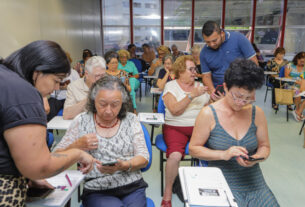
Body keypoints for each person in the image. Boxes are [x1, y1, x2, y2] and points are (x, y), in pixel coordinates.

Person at [0, 40, 95, 206]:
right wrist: (78, 153)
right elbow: (41, 167)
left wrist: (28, 176)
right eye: (57, 80)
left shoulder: (5, 78)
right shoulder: (23, 93)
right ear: (38, 71)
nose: (57, 88)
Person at [189, 59, 279, 207]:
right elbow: (194, 149)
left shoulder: (257, 114)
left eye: (247, 98)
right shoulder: (208, 114)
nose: (241, 102)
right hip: (222, 181)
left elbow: (265, 147)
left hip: (254, 182)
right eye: (236, 96)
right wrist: (223, 154)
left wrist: (255, 158)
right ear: (225, 87)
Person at [54, 76, 149, 207]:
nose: (109, 111)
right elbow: (55, 157)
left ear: (123, 102)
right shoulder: (81, 121)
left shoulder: (131, 120)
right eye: (103, 104)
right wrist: (77, 145)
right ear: (93, 101)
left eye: (115, 105)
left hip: (132, 186)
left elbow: (144, 158)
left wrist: (124, 165)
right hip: (97, 189)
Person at [161, 55, 210, 207]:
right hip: (175, 128)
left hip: (199, 128)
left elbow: (210, 108)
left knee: (213, 151)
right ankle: (167, 194)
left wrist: (215, 99)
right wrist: (191, 95)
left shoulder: (201, 86)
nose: (194, 72)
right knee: (175, 156)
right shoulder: (171, 86)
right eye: (191, 69)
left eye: (195, 69)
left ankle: (204, 189)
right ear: (181, 71)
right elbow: (174, 110)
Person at [200, 21, 258, 100]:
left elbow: (254, 64)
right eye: (207, 42)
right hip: (219, 92)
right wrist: (213, 92)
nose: (211, 44)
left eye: (214, 40)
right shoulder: (204, 52)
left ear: (222, 33)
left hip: (241, 89)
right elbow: (206, 76)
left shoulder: (239, 39)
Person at [47, 51, 80, 121]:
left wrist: (67, 88)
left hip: (69, 98)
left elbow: (78, 87)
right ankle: (49, 127)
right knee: (49, 110)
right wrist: (58, 87)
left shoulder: (73, 73)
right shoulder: (53, 73)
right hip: (56, 98)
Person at [284, 52, 305, 121]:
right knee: (297, 94)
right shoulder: (290, 65)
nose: (302, 63)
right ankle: (298, 112)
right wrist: (296, 81)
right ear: (297, 59)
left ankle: (298, 111)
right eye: (301, 61)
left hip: (301, 87)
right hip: (290, 86)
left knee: (299, 91)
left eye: (304, 61)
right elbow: (286, 77)